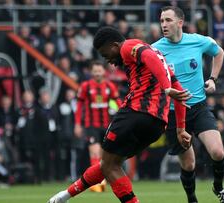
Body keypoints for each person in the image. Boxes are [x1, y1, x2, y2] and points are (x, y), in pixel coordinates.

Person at [47, 26, 191, 203]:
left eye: (105, 54)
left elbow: (147, 55)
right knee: (109, 165)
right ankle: (65, 196)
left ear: (114, 45)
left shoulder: (128, 46)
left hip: (135, 113)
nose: (108, 60)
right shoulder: (161, 62)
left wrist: (166, 87)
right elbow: (180, 93)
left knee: (108, 165)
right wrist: (181, 129)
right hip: (157, 124)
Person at [152, 6, 224, 203]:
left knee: (218, 152)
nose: (164, 25)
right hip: (173, 113)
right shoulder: (154, 49)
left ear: (180, 22)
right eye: (162, 21)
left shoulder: (197, 41)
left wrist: (213, 79)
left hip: (198, 108)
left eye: (168, 20)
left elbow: (219, 52)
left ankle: (219, 188)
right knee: (189, 165)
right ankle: (192, 199)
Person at [74, 60, 121, 192]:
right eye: (95, 71)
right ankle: (97, 184)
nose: (97, 73)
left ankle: (103, 179)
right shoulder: (85, 86)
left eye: (99, 71)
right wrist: (77, 124)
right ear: (91, 72)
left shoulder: (110, 86)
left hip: (107, 125)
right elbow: (79, 107)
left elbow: (117, 102)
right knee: (94, 151)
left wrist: (122, 115)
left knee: (105, 155)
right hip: (91, 126)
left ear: (104, 72)